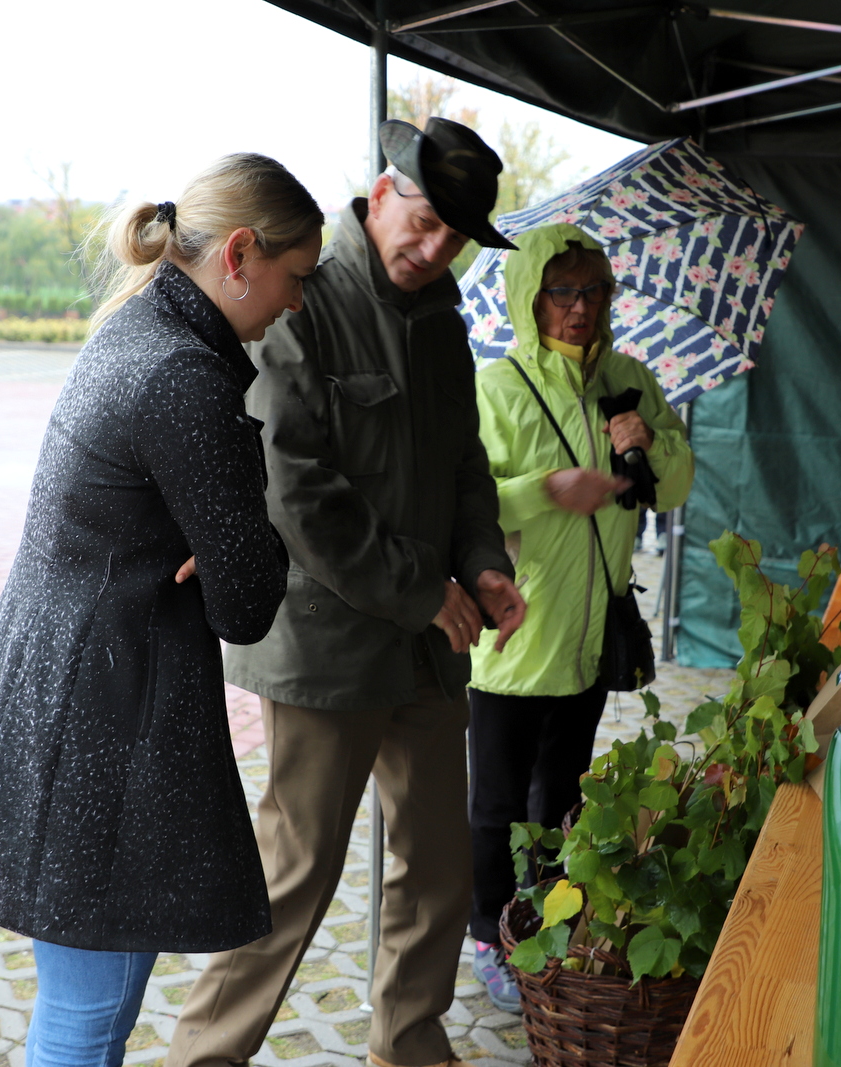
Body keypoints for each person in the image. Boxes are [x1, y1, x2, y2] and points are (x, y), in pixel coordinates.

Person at [0, 153, 324, 1067]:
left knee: (74, 1006)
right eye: (293, 279)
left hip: (62, 709)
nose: (294, 305)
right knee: (87, 1018)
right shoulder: (185, 375)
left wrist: (220, 535)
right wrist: (245, 539)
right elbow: (247, 605)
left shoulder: (139, 327)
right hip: (97, 736)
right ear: (239, 254)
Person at [166, 118, 526, 1067]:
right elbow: (296, 492)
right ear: (380, 193)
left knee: (442, 871)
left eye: (454, 233)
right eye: (423, 218)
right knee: (294, 878)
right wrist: (424, 589)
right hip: (330, 644)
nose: (434, 244)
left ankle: (408, 1046)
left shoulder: (446, 320)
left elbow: (464, 466)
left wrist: (484, 562)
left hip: (429, 642)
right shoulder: (305, 300)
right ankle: (203, 1055)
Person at [465, 223, 694, 1009]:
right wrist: (546, 489)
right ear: (531, 301)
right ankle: (485, 938)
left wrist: (648, 442)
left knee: (561, 795)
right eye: (561, 292)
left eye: (593, 291)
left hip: (592, 632)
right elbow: (468, 504)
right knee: (495, 804)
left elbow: (680, 478)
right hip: (514, 634)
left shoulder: (629, 380)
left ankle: (544, 925)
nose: (580, 308)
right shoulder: (497, 388)